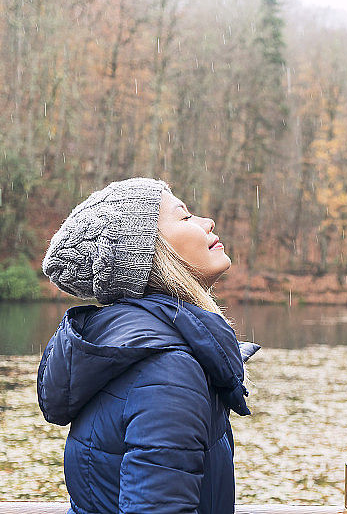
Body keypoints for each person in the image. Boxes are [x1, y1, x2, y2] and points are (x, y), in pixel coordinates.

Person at [37, 178, 258, 514]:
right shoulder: (169, 371)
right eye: (184, 218)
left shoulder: (130, 347)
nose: (207, 222)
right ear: (150, 255)